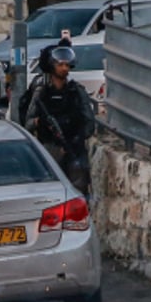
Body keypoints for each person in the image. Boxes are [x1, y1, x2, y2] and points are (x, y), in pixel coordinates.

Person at [23, 42, 96, 193]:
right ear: (52, 66)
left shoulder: (76, 92)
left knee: (78, 192)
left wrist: (75, 138)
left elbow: (89, 123)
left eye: (67, 65)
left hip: (74, 150)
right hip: (50, 150)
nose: (64, 68)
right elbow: (27, 123)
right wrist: (39, 122)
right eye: (60, 64)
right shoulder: (41, 92)